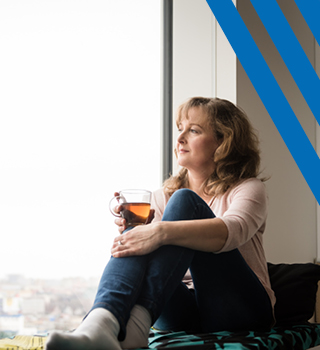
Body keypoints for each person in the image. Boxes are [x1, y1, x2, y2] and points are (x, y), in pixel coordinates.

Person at [45, 97, 275, 350]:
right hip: (181, 310)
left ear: (223, 142)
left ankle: (118, 323)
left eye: (194, 130)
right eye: (180, 129)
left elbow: (230, 232)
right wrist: (137, 233)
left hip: (239, 309)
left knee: (184, 201)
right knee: (139, 227)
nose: (180, 139)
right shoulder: (161, 197)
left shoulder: (248, 189)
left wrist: (158, 232)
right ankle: (102, 323)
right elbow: (146, 249)